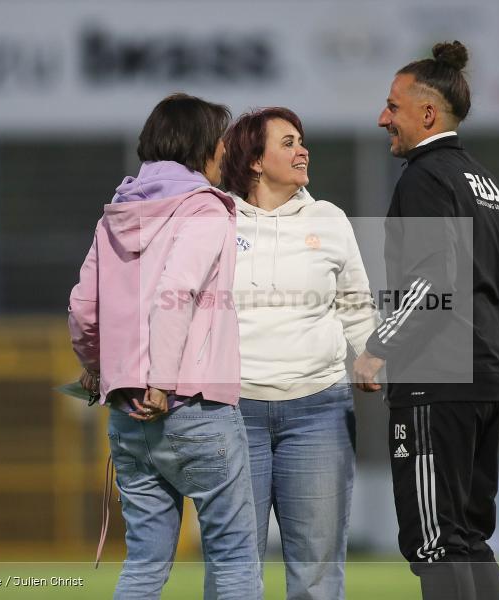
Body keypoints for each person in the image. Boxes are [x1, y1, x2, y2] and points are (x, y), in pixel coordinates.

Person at [352, 41, 499, 600]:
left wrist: (379, 346)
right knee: (470, 540)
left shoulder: (425, 176)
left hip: (437, 382)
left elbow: (434, 278)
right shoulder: (487, 183)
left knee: (435, 543)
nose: (383, 118)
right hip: (492, 378)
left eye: (393, 107)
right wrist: (485, 349)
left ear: (427, 114)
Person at [67, 93, 261, 600]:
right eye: (220, 141)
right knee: (235, 559)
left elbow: (84, 307)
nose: (225, 151)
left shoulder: (117, 213)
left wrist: (98, 367)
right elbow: (176, 293)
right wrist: (161, 381)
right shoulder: (206, 209)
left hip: (127, 411)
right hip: (192, 403)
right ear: (202, 146)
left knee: (144, 565)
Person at [220, 107, 377, 600]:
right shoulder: (215, 219)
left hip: (319, 412)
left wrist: (370, 353)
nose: (302, 150)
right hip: (232, 412)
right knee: (234, 571)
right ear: (254, 160)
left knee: (316, 575)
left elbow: (356, 304)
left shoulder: (329, 219)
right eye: (287, 143)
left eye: (301, 141)